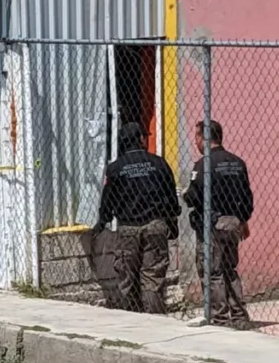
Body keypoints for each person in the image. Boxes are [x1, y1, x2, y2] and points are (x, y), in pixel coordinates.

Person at [95, 123, 180, 314]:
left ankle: (132, 319)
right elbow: (170, 197)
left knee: (127, 278)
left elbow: (108, 198)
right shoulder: (159, 163)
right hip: (154, 225)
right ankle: (155, 320)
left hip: (128, 228)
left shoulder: (116, 168)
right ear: (141, 139)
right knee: (152, 278)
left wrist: (103, 221)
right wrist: (172, 223)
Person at [183, 120, 254, 329]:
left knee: (211, 270)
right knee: (229, 269)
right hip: (233, 222)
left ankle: (219, 317)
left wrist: (186, 196)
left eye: (196, 137)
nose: (195, 142)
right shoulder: (237, 162)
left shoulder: (203, 165)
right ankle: (239, 315)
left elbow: (194, 197)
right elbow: (247, 196)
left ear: (204, 138)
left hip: (212, 224)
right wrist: (242, 219)